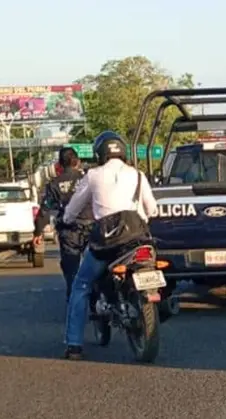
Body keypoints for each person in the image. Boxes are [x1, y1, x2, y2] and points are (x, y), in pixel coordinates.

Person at [61, 131, 158, 360]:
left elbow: (75, 207)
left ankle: (74, 344)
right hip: (137, 240)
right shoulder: (138, 175)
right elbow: (152, 209)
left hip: (107, 244)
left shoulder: (93, 175)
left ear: (99, 152)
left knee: (81, 285)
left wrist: (67, 219)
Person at [33, 148, 94, 301]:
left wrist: (38, 233)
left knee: (71, 272)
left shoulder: (54, 184)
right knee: (98, 267)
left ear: (59, 164)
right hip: (94, 229)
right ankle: (99, 302)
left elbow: (45, 210)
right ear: (77, 161)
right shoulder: (88, 178)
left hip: (69, 232)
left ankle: (75, 305)